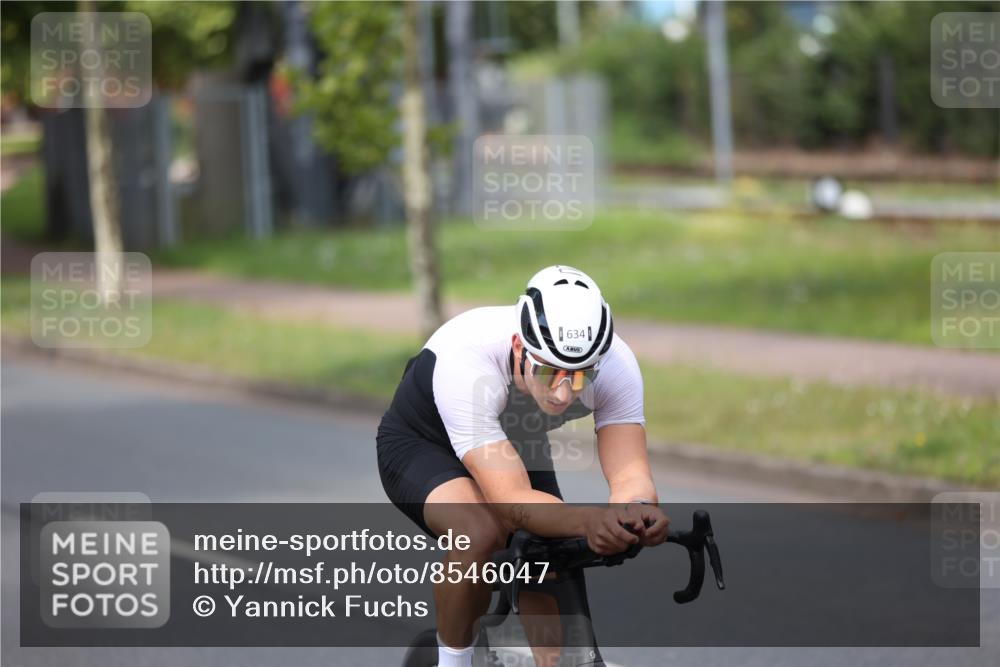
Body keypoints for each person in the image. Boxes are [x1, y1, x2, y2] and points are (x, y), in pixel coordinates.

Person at [377, 265, 670, 667]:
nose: (565, 393)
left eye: (581, 377)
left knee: (552, 547)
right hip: (423, 443)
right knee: (480, 531)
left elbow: (630, 473)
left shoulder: (615, 364)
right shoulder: (469, 360)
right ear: (519, 348)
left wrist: (636, 512)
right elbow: (512, 501)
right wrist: (591, 522)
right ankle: (452, 661)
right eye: (550, 372)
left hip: (515, 441)